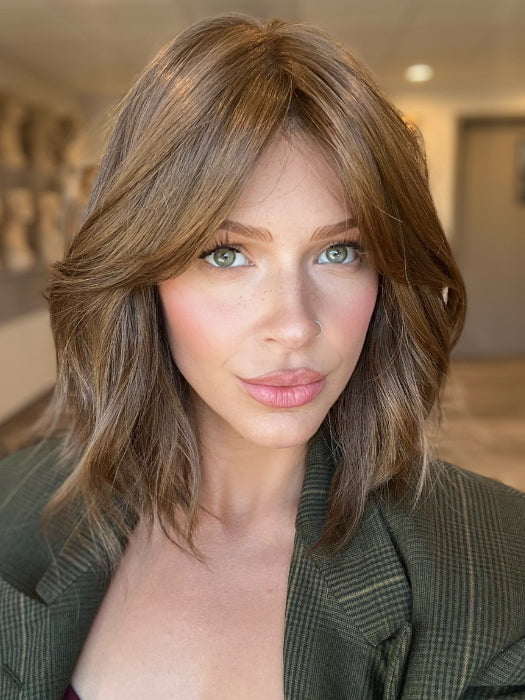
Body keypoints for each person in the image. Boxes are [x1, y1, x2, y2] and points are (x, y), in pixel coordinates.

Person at [0, 14, 524, 700]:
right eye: (226, 254)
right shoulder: (12, 505)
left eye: (340, 251)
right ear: (142, 273)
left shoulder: (497, 571)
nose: (294, 326)